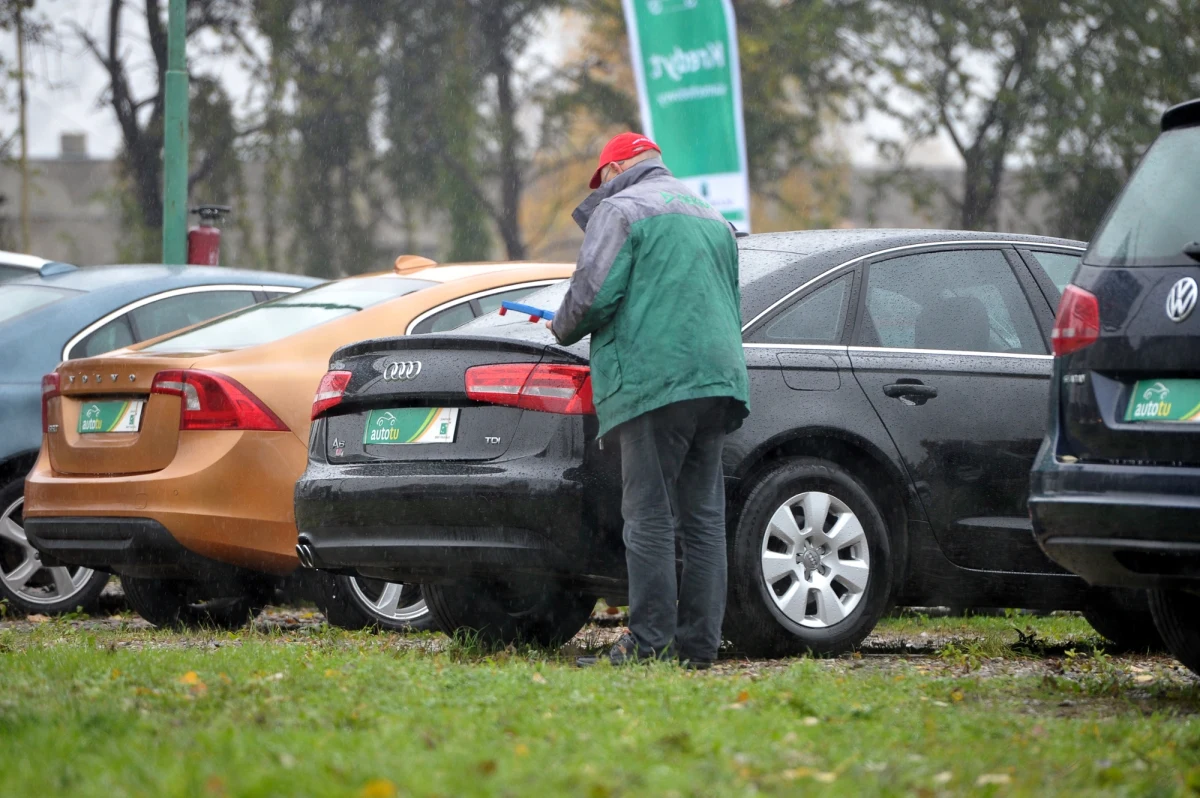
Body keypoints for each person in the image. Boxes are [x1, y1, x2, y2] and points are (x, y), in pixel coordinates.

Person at [550, 132, 750, 669]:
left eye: (603, 178)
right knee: (704, 519)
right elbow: (728, 301)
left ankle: (647, 644)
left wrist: (560, 324)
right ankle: (698, 649)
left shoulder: (621, 210)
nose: (604, 186)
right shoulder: (712, 217)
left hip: (655, 381)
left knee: (649, 516)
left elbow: (591, 295)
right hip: (718, 380)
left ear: (615, 169)